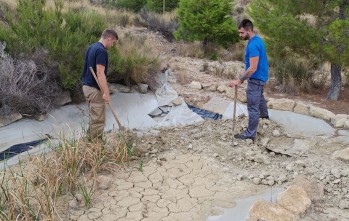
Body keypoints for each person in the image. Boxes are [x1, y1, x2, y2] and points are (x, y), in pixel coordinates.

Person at [229, 19, 269, 142]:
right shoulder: (258, 40)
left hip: (256, 79)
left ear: (249, 30)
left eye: (242, 33)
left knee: (252, 107)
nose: (240, 35)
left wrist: (239, 81)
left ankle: (250, 134)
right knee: (260, 98)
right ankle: (265, 117)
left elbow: (253, 68)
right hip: (261, 78)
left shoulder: (253, 45)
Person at [82, 28, 118, 140]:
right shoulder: (101, 51)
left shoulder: (91, 47)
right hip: (94, 89)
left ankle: (89, 140)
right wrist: (106, 92)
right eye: (113, 42)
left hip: (86, 87)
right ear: (109, 39)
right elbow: (100, 73)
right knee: (98, 119)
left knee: (94, 116)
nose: (112, 45)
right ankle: (95, 145)